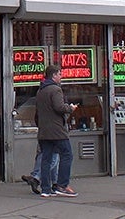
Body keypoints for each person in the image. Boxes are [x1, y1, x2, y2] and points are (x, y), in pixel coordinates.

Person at [22, 64, 78, 197]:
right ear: (53, 75)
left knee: (46, 158)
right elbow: (59, 107)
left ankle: (46, 189)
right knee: (67, 154)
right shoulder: (55, 90)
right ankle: (62, 185)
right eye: (59, 74)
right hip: (57, 130)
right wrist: (70, 108)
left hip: (44, 131)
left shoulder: (40, 90)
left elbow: (38, 112)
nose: (61, 76)